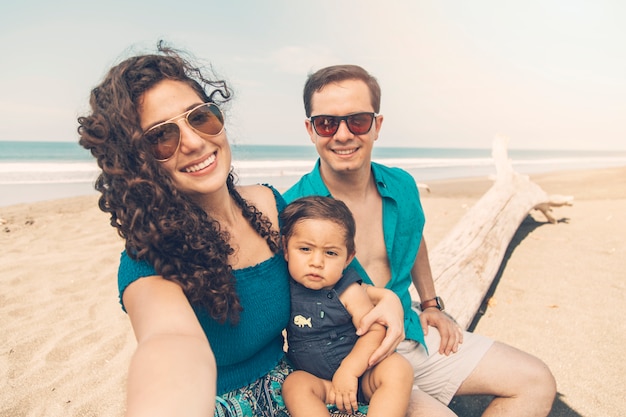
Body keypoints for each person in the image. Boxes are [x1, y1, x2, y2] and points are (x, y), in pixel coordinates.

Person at [77, 44, 406, 417]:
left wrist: (385, 299)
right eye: (161, 137)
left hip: (303, 386)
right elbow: (168, 343)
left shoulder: (270, 204)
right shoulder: (148, 260)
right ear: (136, 160)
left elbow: (322, 276)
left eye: (200, 118)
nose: (195, 141)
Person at [284, 64, 557, 417]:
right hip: (344, 358)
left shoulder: (401, 185)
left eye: (358, 121)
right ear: (310, 129)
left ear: (377, 126)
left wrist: (430, 304)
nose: (342, 134)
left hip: (410, 332)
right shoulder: (289, 209)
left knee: (536, 380)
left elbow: (415, 241)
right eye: (327, 123)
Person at [280, 196, 413, 417]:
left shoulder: (349, 291)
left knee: (398, 369)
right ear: (285, 248)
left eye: (330, 253)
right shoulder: (284, 286)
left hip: (362, 377)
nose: (316, 262)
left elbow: (375, 330)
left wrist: (349, 371)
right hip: (323, 384)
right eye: (305, 249)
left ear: (348, 257)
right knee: (294, 384)